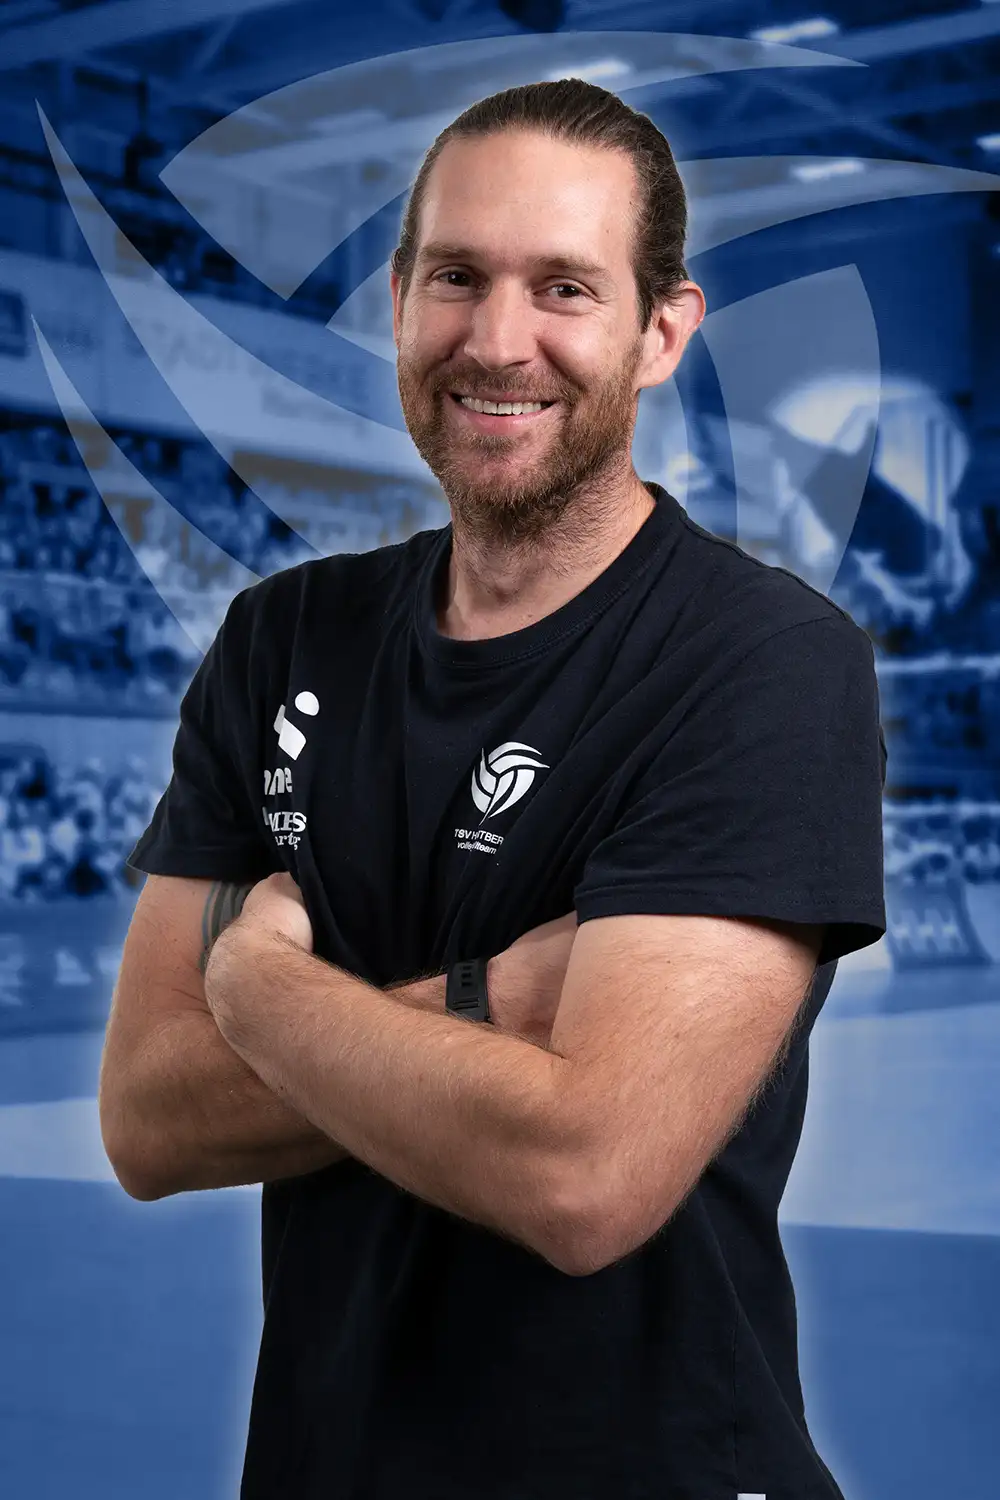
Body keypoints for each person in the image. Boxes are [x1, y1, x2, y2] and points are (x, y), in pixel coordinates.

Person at [104, 79, 887, 1500]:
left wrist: (261, 993)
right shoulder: (283, 639)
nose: (497, 340)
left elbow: (585, 1177)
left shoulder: (762, 662)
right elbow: (149, 1119)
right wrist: (490, 1005)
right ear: (400, 299)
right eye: (457, 276)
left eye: (565, 287)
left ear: (661, 332)